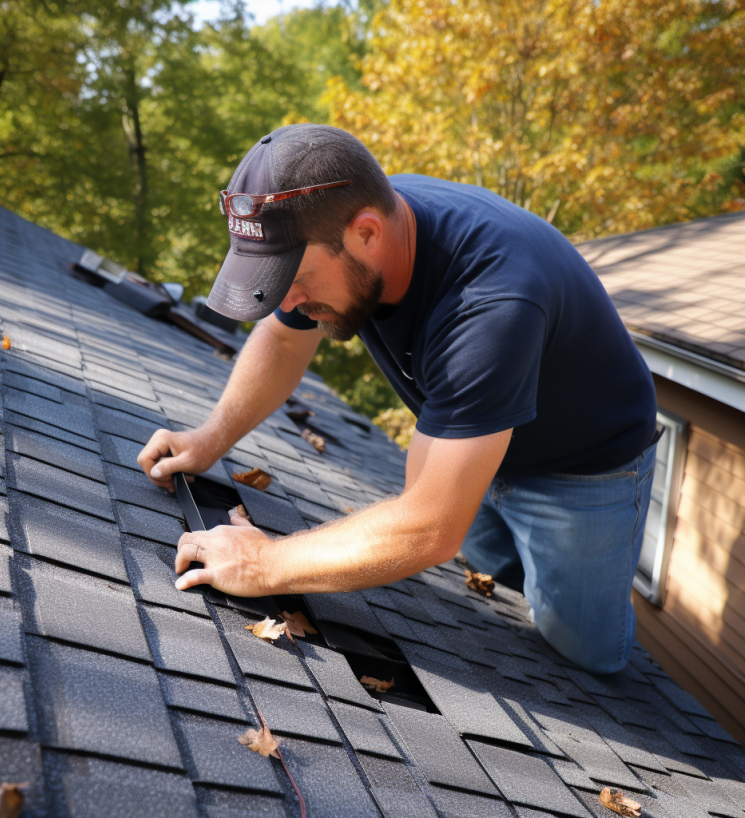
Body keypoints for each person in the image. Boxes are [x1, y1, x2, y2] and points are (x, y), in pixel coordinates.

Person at [138, 124, 658, 674]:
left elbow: (430, 527)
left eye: (291, 276)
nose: (284, 298)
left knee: (581, 651)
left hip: (584, 470)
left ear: (366, 233)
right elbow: (283, 341)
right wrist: (209, 437)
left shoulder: (491, 300)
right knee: (494, 584)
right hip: (479, 437)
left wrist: (266, 562)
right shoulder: (341, 216)